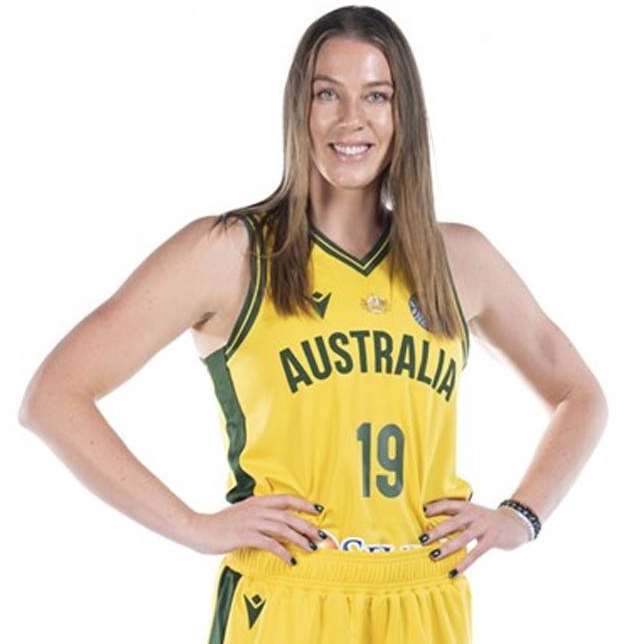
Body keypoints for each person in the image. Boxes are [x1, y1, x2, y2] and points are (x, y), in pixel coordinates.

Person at [18, 6, 608, 643]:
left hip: (426, 593)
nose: (351, 119)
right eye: (328, 94)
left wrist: (521, 516)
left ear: (404, 114)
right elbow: (53, 396)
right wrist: (193, 527)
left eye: (376, 96)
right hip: (290, 594)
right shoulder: (231, 253)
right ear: (298, 108)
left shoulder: (459, 261)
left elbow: (580, 396)